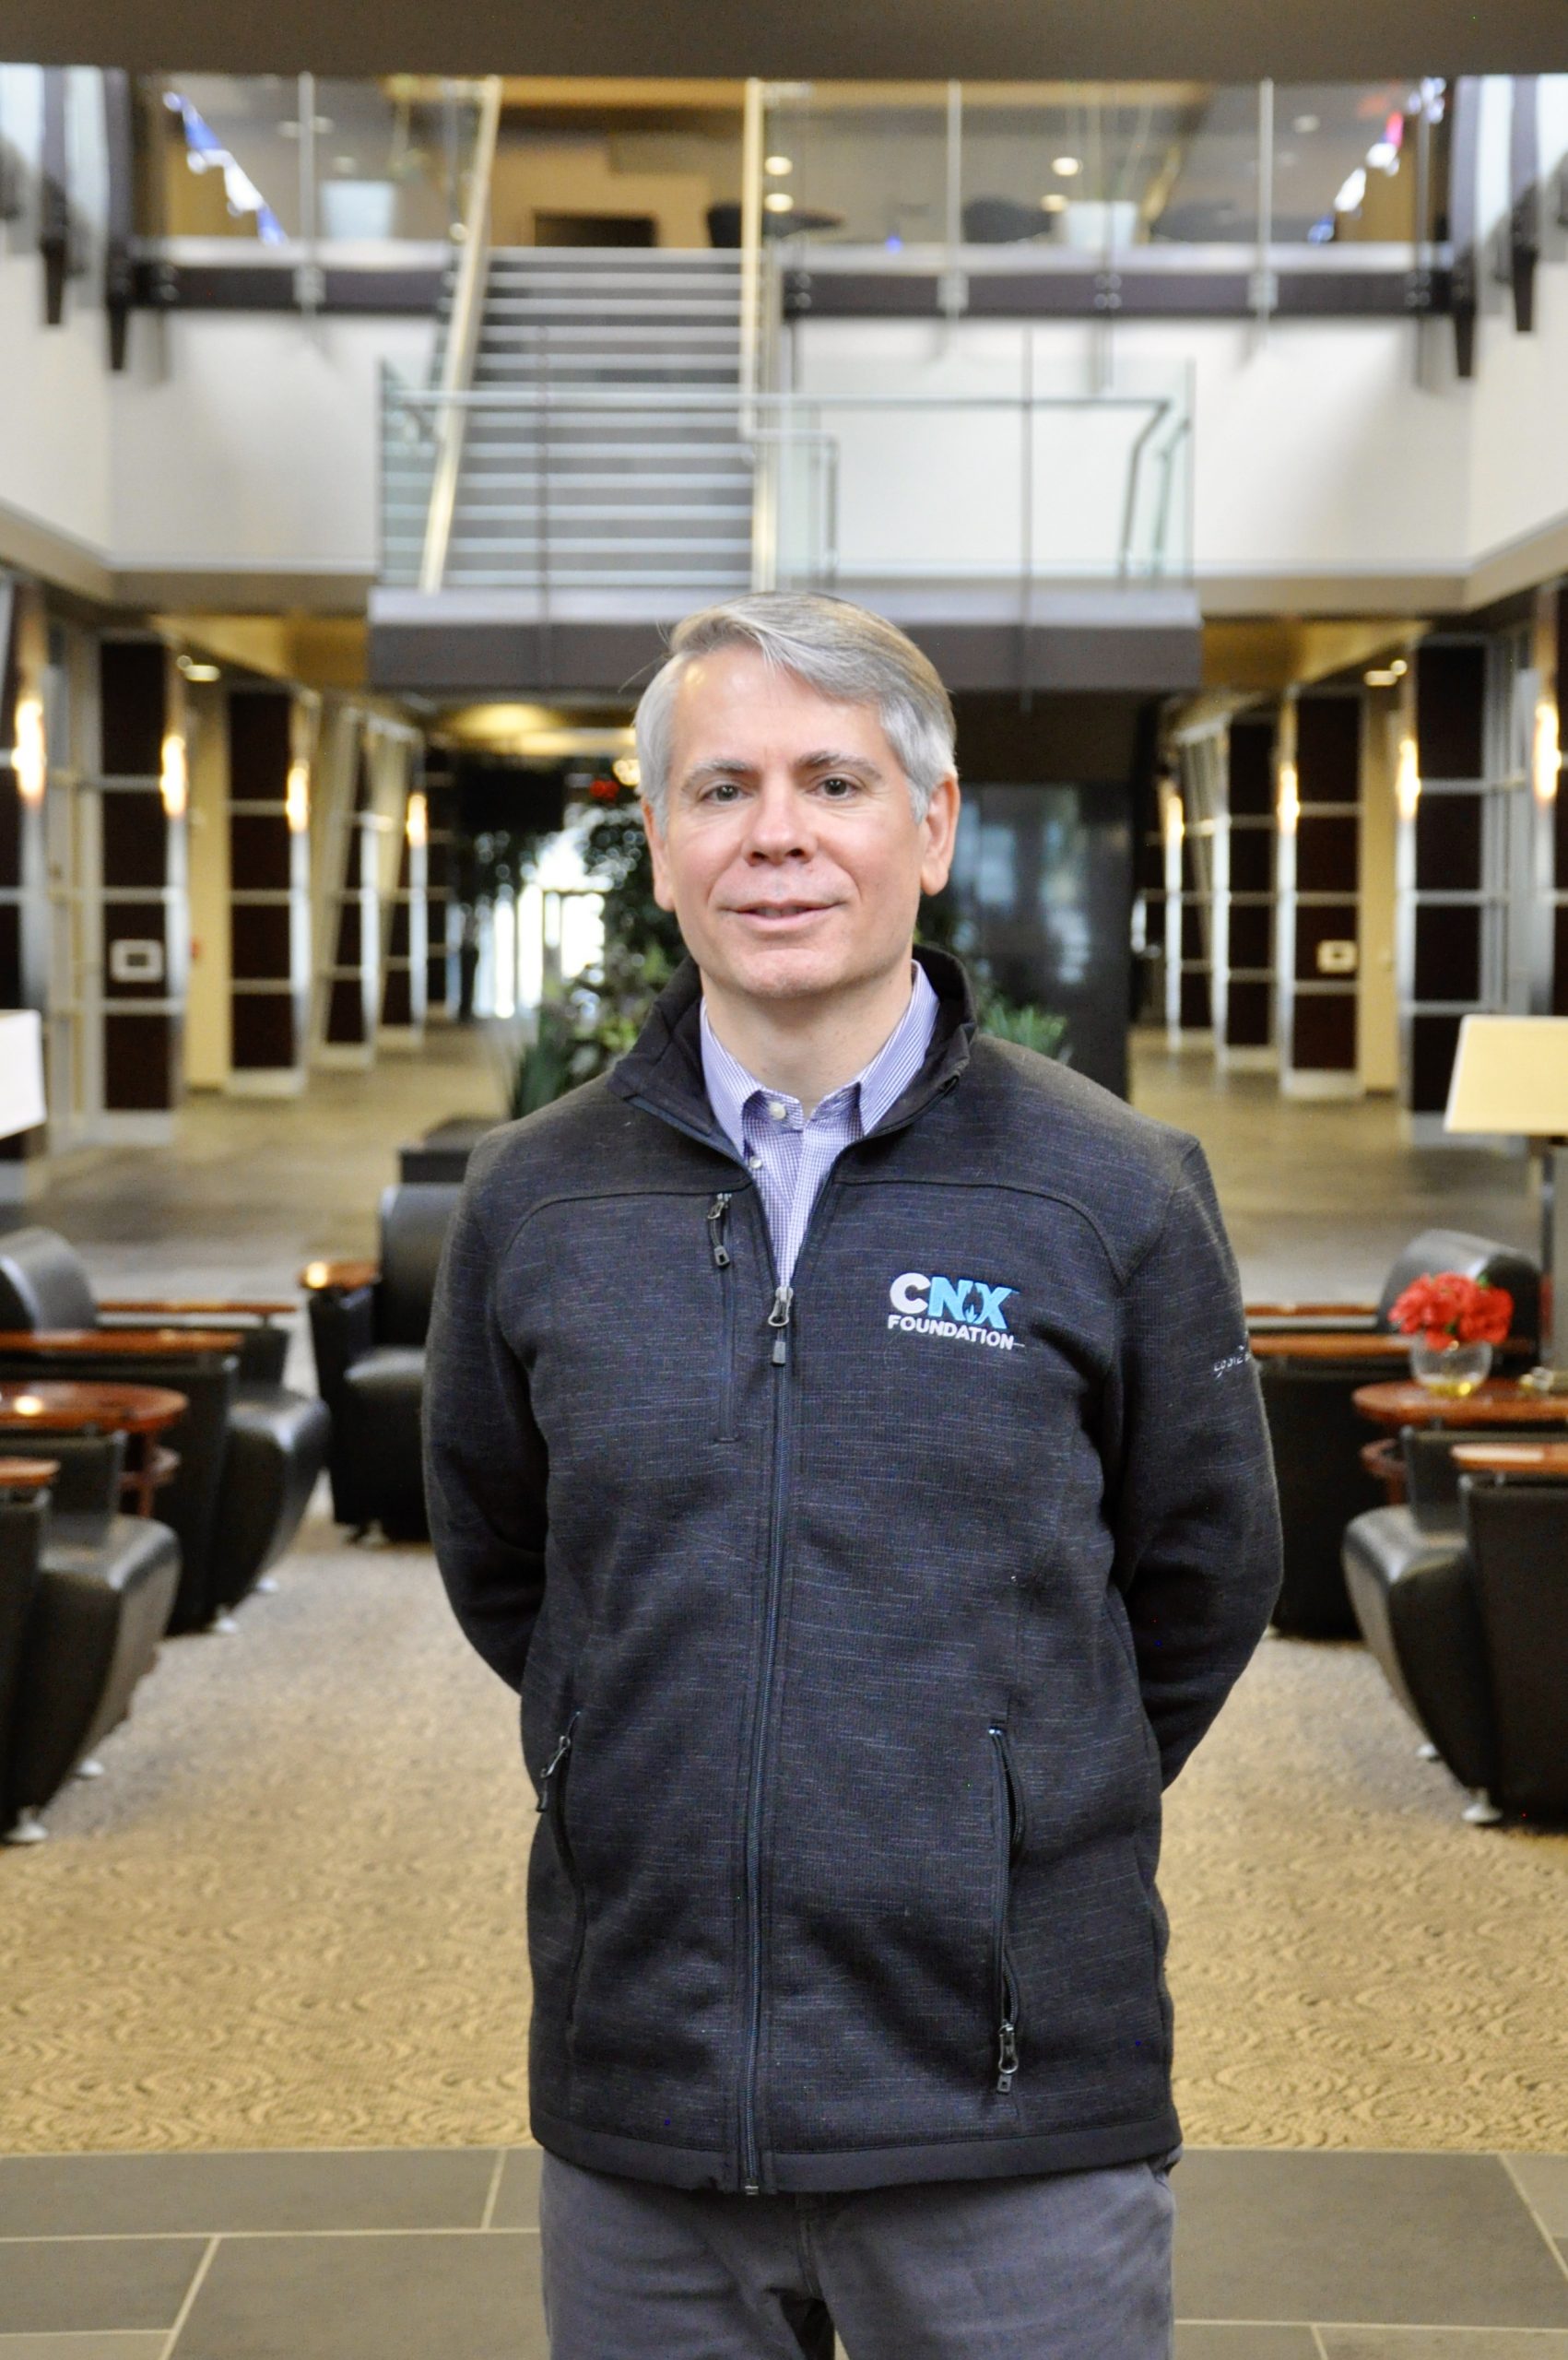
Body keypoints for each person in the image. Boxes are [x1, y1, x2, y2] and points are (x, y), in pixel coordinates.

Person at [425, 591, 1281, 2359]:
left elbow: (1202, 1579)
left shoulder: (1110, 1189)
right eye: (721, 788)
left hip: (1010, 2105)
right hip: (643, 2093)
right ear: (656, 840)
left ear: (932, 825)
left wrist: (998, 1793)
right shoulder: (531, 1201)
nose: (777, 836)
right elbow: (509, 1567)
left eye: (833, 781)